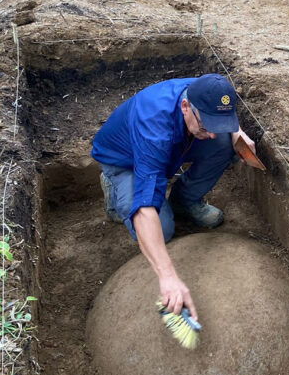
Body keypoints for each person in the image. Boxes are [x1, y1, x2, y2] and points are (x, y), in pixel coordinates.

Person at [91, 74, 255, 322]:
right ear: (185, 107)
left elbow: (220, 111)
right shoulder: (154, 130)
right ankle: (114, 188)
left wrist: (236, 133)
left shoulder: (204, 90)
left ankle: (183, 202)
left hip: (169, 146)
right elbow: (145, 208)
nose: (211, 133)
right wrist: (168, 277)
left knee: (223, 144)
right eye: (205, 125)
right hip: (126, 161)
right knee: (163, 231)